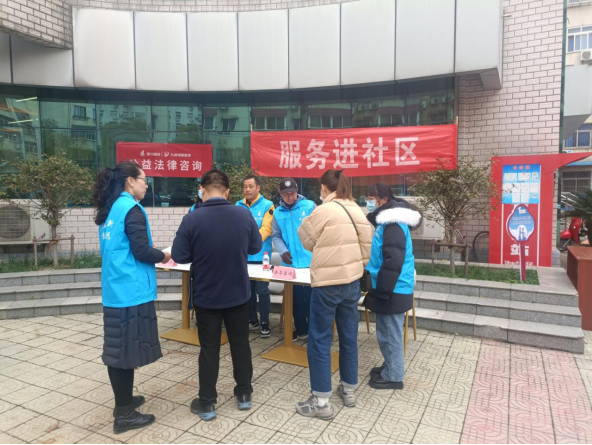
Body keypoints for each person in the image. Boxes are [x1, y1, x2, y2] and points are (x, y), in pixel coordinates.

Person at [171, 169, 262, 421]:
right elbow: (256, 247)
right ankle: (244, 394)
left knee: (209, 350)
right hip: (238, 294)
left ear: (202, 190)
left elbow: (179, 255)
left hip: (207, 297)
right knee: (240, 345)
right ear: (228, 191)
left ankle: (207, 403)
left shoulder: (192, 218)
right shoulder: (243, 214)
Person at [93, 161, 171, 435]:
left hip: (116, 289)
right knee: (123, 354)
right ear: (130, 181)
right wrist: (165, 255)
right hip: (130, 292)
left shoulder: (111, 208)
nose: (146, 185)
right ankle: (124, 414)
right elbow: (141, 251)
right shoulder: (131, 209)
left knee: (119, 350)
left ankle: (123, 402)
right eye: (144, 180)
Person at [296, 170, 373, 419]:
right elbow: (367, 249)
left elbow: (305, 240)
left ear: (324, 187)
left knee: (320, 339)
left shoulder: (323, 210)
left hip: (328, 283)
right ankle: (349, 390)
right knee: (349, 336)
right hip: (352, 282)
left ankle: (321, 402)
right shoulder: (357, 210)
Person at [364, 183, 422, 390]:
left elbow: (393, 260)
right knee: (386, 331)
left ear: (383, 200)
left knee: (390, 333)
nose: (368, 202)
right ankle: (390, 366)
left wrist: (383, 289)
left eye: (371, 198)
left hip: (392, 288)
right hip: (390, 285)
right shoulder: (387, 222)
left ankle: (394, 375)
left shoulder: (393, 224)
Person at [271, 178, 316, 340]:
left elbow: (320, 229)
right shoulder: (277, 213)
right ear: (280, 194)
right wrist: (282, 251)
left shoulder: (309, 206)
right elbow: (276, 236)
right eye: (286, 194)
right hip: (289, 264)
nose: (289, 197)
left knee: (311, 298)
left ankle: (314, 331)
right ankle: (301, 329)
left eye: (292, 193)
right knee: (294, 298)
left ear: (297, 191)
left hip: (310, 261)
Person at [236, 175, 275, 338]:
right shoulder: (238, 206)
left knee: (263, 290)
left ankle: (265, 322)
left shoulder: (268, 205)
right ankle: (252, 320)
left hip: (262, 257)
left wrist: (249, 242)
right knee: (248, 290)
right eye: (245, 186)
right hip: (243, 257)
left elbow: (267, 228)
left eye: (250, 186)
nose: (247, 190)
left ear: (258, 188)